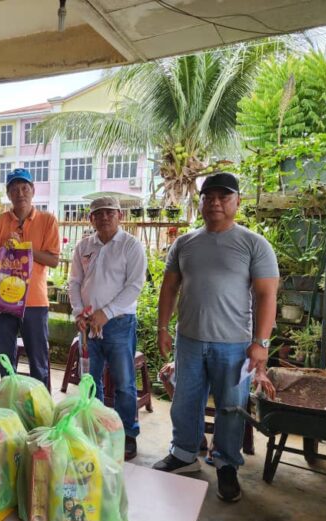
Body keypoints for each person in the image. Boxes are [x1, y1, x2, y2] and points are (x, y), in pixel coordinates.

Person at [152, 172, 279, 503]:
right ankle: (183, 453)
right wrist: (163, 328)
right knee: (185, 400)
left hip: (235, 345)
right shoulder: (185, 243)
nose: (215, 203)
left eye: (224, 197)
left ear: (237, 201)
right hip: (189, 340)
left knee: (231, 407)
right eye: (209, 197)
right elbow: (169, 287)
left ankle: (226, 464)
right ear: (201, 203)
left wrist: (261, 343)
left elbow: (267, 295)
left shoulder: (254, 244)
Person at [68, 196, 146, 461]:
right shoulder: (83, 246)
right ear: (91, 218)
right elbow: (74, 282)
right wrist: (79, 312)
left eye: (110, 213)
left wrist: (107, 313)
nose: (104, 217)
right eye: (98, 214)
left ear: (120, 216)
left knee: (124, 383)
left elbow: (135, 286)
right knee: (90, 380)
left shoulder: (131, 245)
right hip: (87, 324)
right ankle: (97, 428)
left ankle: (127, 434)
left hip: (119, 324)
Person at [0, 168, 60, 387]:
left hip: (34, 302)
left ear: (33, 190)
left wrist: (24, 249)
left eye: (25, 188)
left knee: (39, 360)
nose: (20, 193)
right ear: (8, 194)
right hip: (3, 302)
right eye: (15, 189)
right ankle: (9, 401)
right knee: (4, 360)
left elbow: (53, 260)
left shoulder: (48, 221)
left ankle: (41, 404)